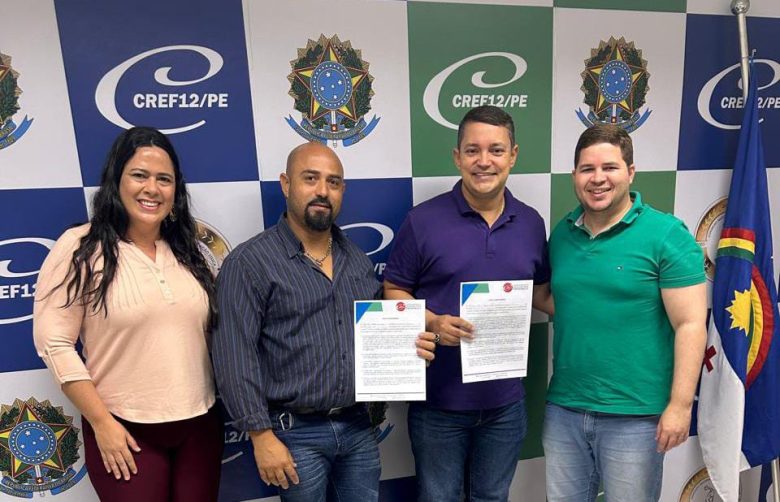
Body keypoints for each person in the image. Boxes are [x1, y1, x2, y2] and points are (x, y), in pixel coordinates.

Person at [211, 141, 436, 502]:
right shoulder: (249, 263)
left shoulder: (356, 259)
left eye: (333, 182)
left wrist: (411, 345)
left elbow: (375, 335)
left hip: (358, 427)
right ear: (286, 184)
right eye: (310, 178)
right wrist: (260, 435)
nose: (322, 191)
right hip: (293, 433)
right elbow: (234, 357)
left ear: (342, 190)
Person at [33, 127, 222, 501]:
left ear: (176, 190)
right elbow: (53, 342)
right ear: (116, 180)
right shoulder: (80, 247)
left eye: (164, 179)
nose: (152, 188)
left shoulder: (190, 251)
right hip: (124, 429)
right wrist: (101, 423)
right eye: (139, 175)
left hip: (200, 425)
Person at [383, 105, 552, 501]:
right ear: (457, 157)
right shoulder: (423, 220)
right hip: (439, 404)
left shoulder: (531, 222)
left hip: (505, 405)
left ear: (513, 156)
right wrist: (431, 322)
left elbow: (542, 293)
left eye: (496, 150)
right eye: (473, 150)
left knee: (492, 497)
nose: (484, 161)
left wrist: (606, 309)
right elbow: (393, 289)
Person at [542, 124, 707, 501]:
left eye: (610, 167)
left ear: (630, 173)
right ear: (574, 175)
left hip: (636, 417)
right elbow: (561, 299)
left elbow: (690, 324)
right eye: (587, 169)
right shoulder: (563, 234)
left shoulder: (666, 234)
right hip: (565, 408)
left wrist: (680, 406)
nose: (598, 178)